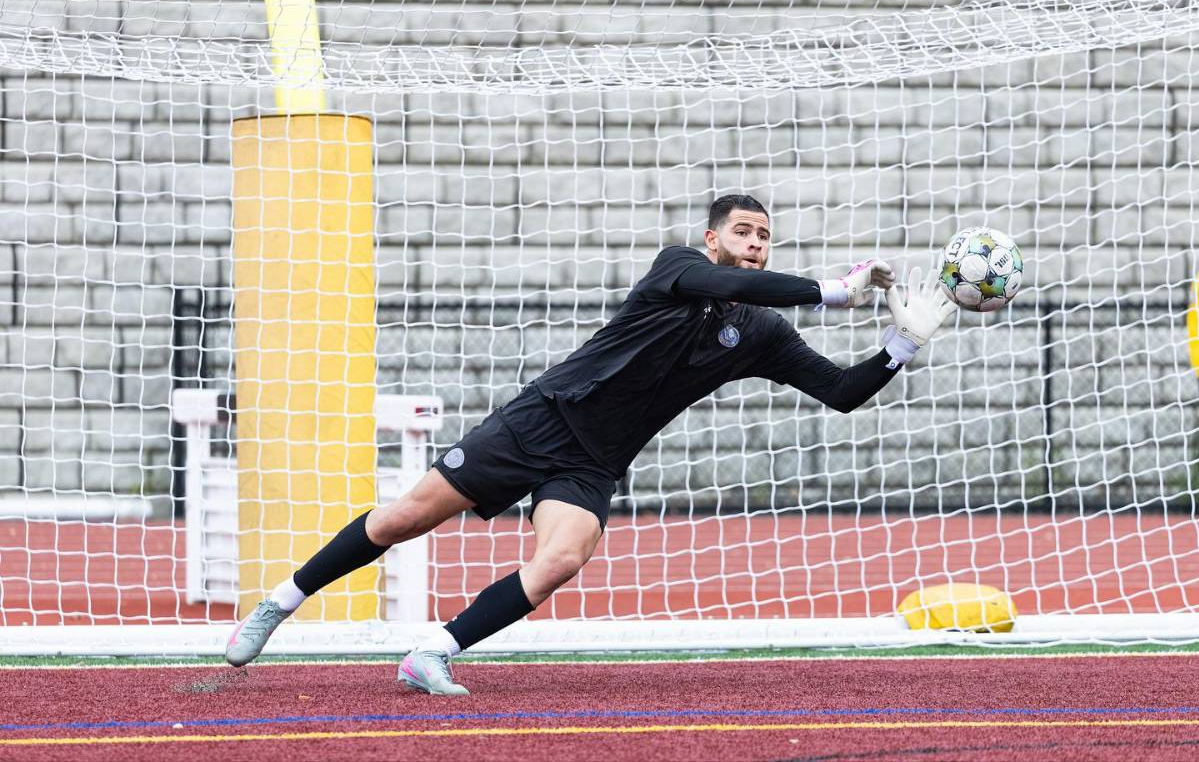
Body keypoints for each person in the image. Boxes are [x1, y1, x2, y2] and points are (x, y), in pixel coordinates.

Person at [224, 193, 956, 694]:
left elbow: (841, 392)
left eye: (764, 238)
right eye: (743, 233)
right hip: (541, 419)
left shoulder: (762, 330)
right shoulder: (678, 268)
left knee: (561, 560)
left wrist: (901, 344)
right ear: (712, 238)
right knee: (399, 520)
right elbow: (720, 281)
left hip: (594, 460)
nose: (755, 246)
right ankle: (280, 604)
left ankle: (431, 655)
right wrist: (831, 290)